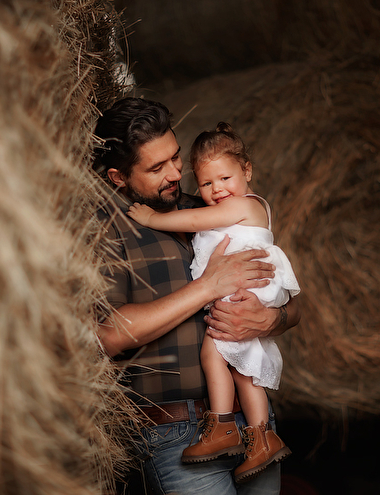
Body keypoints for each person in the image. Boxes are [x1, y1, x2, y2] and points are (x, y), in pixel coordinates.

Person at [92, 98, 299, 495]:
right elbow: (108, 335)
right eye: (157, 168)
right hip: (175, 432)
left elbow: (291, 301)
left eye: (175, 157)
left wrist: (273, 318)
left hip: (252, 420)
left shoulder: (208, 208)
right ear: (118, 176)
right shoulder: (107, 231)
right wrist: (208, 286)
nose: (175, 173)